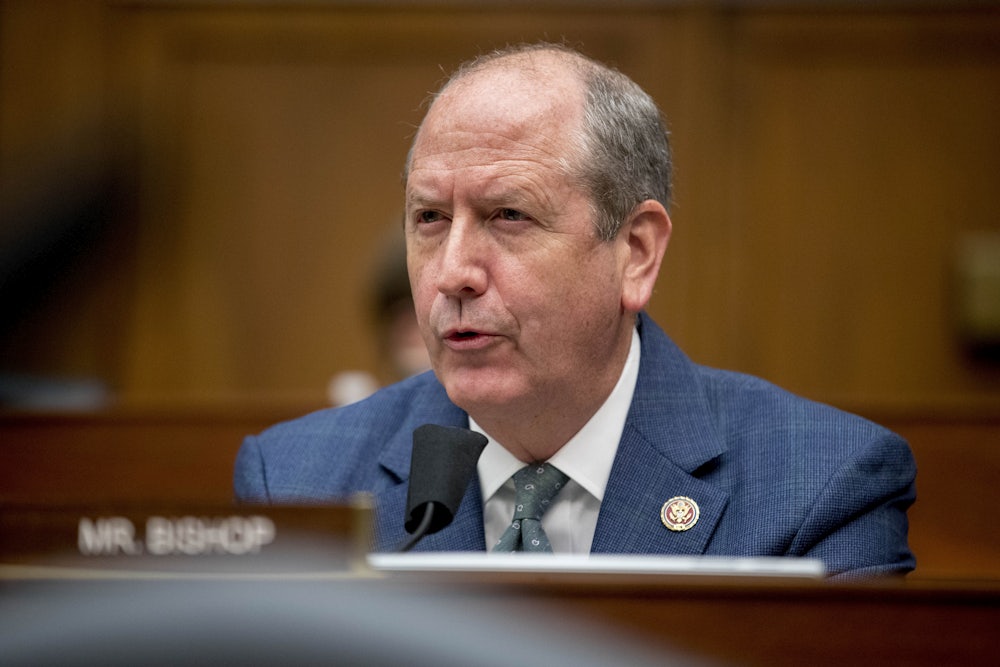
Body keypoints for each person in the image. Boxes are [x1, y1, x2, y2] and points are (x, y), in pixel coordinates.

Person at [235, 43, 916, 579]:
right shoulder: (297, 484)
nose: (452, 273)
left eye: (509, 215)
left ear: (636, 253)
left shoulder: (821, 488)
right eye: (430, 218)